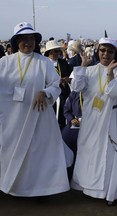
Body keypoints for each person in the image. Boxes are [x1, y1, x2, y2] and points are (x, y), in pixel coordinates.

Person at [0, 22, 72, 197]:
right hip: (11, 120)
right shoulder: (4, 62)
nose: (28, 42)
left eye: (31, 38)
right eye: (24, 39)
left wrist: (45, 92)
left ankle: (38, 190)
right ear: (16, 42)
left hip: (38, 117)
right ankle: (10, 185)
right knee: (9, 152)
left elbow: (55, 85)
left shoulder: (44, 62)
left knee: (37, 155)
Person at [70, 37, 117, 206]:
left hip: (112, 119)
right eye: (102, 50)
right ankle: (89, 188)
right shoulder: (88, 71)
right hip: (92, 119)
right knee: (90, 152)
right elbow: (76, 87)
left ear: (115, 53)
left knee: (110, 154)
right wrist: (83, 66)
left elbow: (115, 92)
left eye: (110, 51)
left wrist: (110, 72)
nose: (106, 54)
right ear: (98, 51)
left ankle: (109, 193)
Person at [44, 40, 72, 129]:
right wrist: (56, 81)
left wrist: (68, 79)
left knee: (63, 115)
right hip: (51, 95)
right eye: (55, 51)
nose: (57, 53)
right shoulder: (44, 64)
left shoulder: (63, 62)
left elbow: (70, 75)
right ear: (49, 52)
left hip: (64, 93)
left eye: (58, 51)